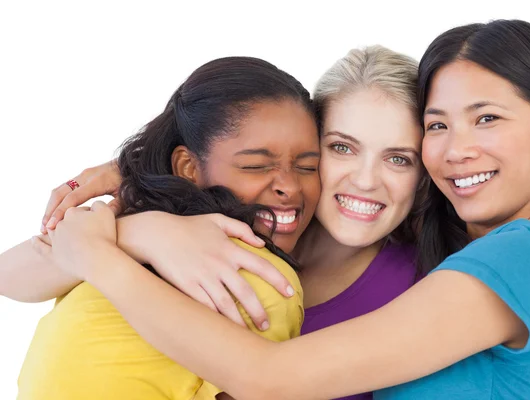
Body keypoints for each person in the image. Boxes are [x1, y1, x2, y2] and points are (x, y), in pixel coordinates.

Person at [41, 19, 530, 399]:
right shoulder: (471, 258)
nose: (456, 150)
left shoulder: (528, 255)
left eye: (487, 118)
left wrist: (101, 257)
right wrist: (144, 203)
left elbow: (266, 376)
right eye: (438, 125)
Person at [3, 46, 425, 400]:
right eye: (341, 148)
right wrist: (143, 231)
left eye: (399, 158)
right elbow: (11, 276)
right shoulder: (220, 222)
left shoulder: (421, 284)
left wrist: (105, 248)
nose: (366, 180)